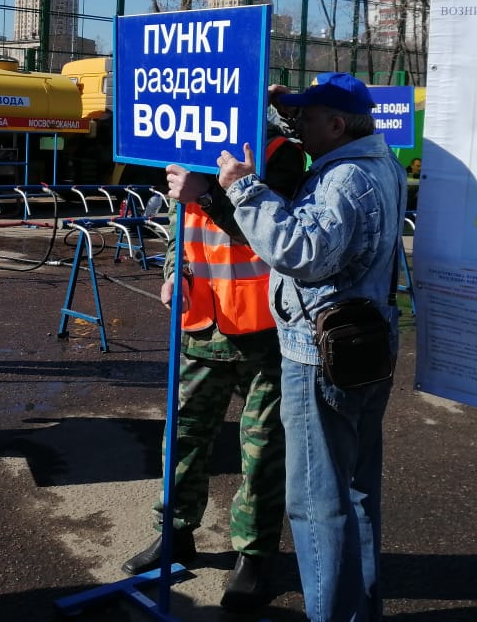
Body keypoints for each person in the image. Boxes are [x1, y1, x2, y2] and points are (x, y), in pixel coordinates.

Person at [217, 73, 407, 622]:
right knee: (357, 493)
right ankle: (358, 610)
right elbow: (311, 130)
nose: (295, 123)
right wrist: (284, 106)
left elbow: (303, 253)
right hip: (365, 346)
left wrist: (243, 189)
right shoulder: (378, 161)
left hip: (320, 355)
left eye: (305, 116)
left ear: (337, 123)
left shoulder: (344, 179)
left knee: (317, 504)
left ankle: (332, 614)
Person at [122, 122, 305, 612]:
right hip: (201, 325)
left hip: (263, 333)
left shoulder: (281, 156)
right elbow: (177, 233)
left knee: (263, 452)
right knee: (181, 437)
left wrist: (206, 195)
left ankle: (254, 555)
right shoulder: (189, 141)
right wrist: (172, 274)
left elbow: (275, 238)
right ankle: (175, 534)